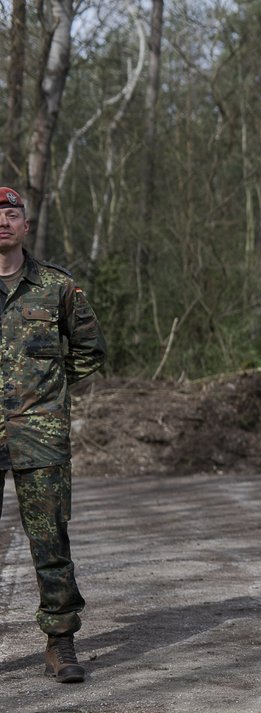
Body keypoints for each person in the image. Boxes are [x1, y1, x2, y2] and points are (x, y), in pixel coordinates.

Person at [0, 187, 106, 683]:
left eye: (11, 212)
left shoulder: (56, 286)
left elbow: (89, 347)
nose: (3, 221)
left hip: (39, 436)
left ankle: (60, 643)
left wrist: (51, 392)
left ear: (25, 223)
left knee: (49, 541)